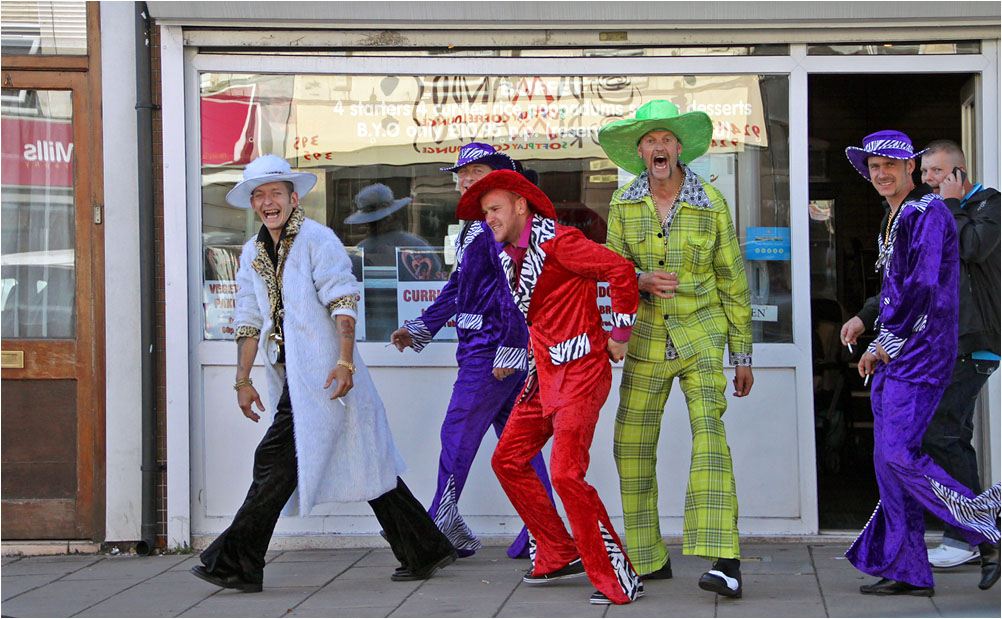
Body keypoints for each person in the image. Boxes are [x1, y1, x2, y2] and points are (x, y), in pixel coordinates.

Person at [190, 155, 456, 593]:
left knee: (273, 467)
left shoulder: (318, 240)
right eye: (260, 194)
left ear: (293, 199)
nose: (267, 202)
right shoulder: (254, 252)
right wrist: (242, 379)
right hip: (294, 380)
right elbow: (248, 316)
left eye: (276, 193)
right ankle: (425, 547)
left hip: (325, 377)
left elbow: (343, 300)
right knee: (370, 464)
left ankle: (235, 562)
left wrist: (346, 361)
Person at [457, 169, 644, 605]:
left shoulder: (561, 242)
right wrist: (514, 353)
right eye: (484, 213)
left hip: (581, 373)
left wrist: (619, 334)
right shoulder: (506, 253)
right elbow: (530, 314)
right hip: (543, 377)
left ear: (521, 206)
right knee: (508, 459)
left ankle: (617, 576)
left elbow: (619, 269)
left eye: (495, 209)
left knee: (565, 474)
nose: (489, 219)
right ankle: (558, 550)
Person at [598, 100, 753, 598]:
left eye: (666, 139)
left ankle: (725, 559)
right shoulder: (623, 203)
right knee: (631, 443)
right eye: (650, 140)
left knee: (709, 433)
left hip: (701, 332)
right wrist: (637, 280)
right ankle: (647, 556)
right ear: (639, 152)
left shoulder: (712, 201)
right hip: (644, 338)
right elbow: (611, 274)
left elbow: (732, 278)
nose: (658, 147)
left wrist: (742, 353)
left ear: (679, 148)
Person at [840, 131, 1000, 596]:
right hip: (898, 352)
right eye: (874, 166)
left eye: (891, 165)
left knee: (899, 455)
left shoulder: (927, 212)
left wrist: (884, 342)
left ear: (912, 168)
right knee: (887, 463)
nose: (882, 173)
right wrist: (868, 323)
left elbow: (924, 287)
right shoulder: (895, 216)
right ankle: (905, 564)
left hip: (922, 354)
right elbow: (895, 289)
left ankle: (982, 523)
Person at [389, 142, 553, 559]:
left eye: (474, 172)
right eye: (461, 174)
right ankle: (545, 532)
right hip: (488, 353)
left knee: (457, 434)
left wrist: (512, 349)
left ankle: (439, 526)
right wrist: (421, 327)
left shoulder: (495, 228)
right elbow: (460, 289)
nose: (463, 180)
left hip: (491, 354)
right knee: (519, 446)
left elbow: (518, 291)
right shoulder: (478, 227)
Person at [920, 141, 1000, 580]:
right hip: (945, 343)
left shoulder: (990, 204)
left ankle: (968, 533)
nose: (929, 179)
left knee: (943, 434)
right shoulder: (937, 209)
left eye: (937, 171)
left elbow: (972, 249)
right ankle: (971, 529)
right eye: (926, 171)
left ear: (959, 173)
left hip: (977, 340)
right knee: (950, 434)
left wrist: (951, 204)